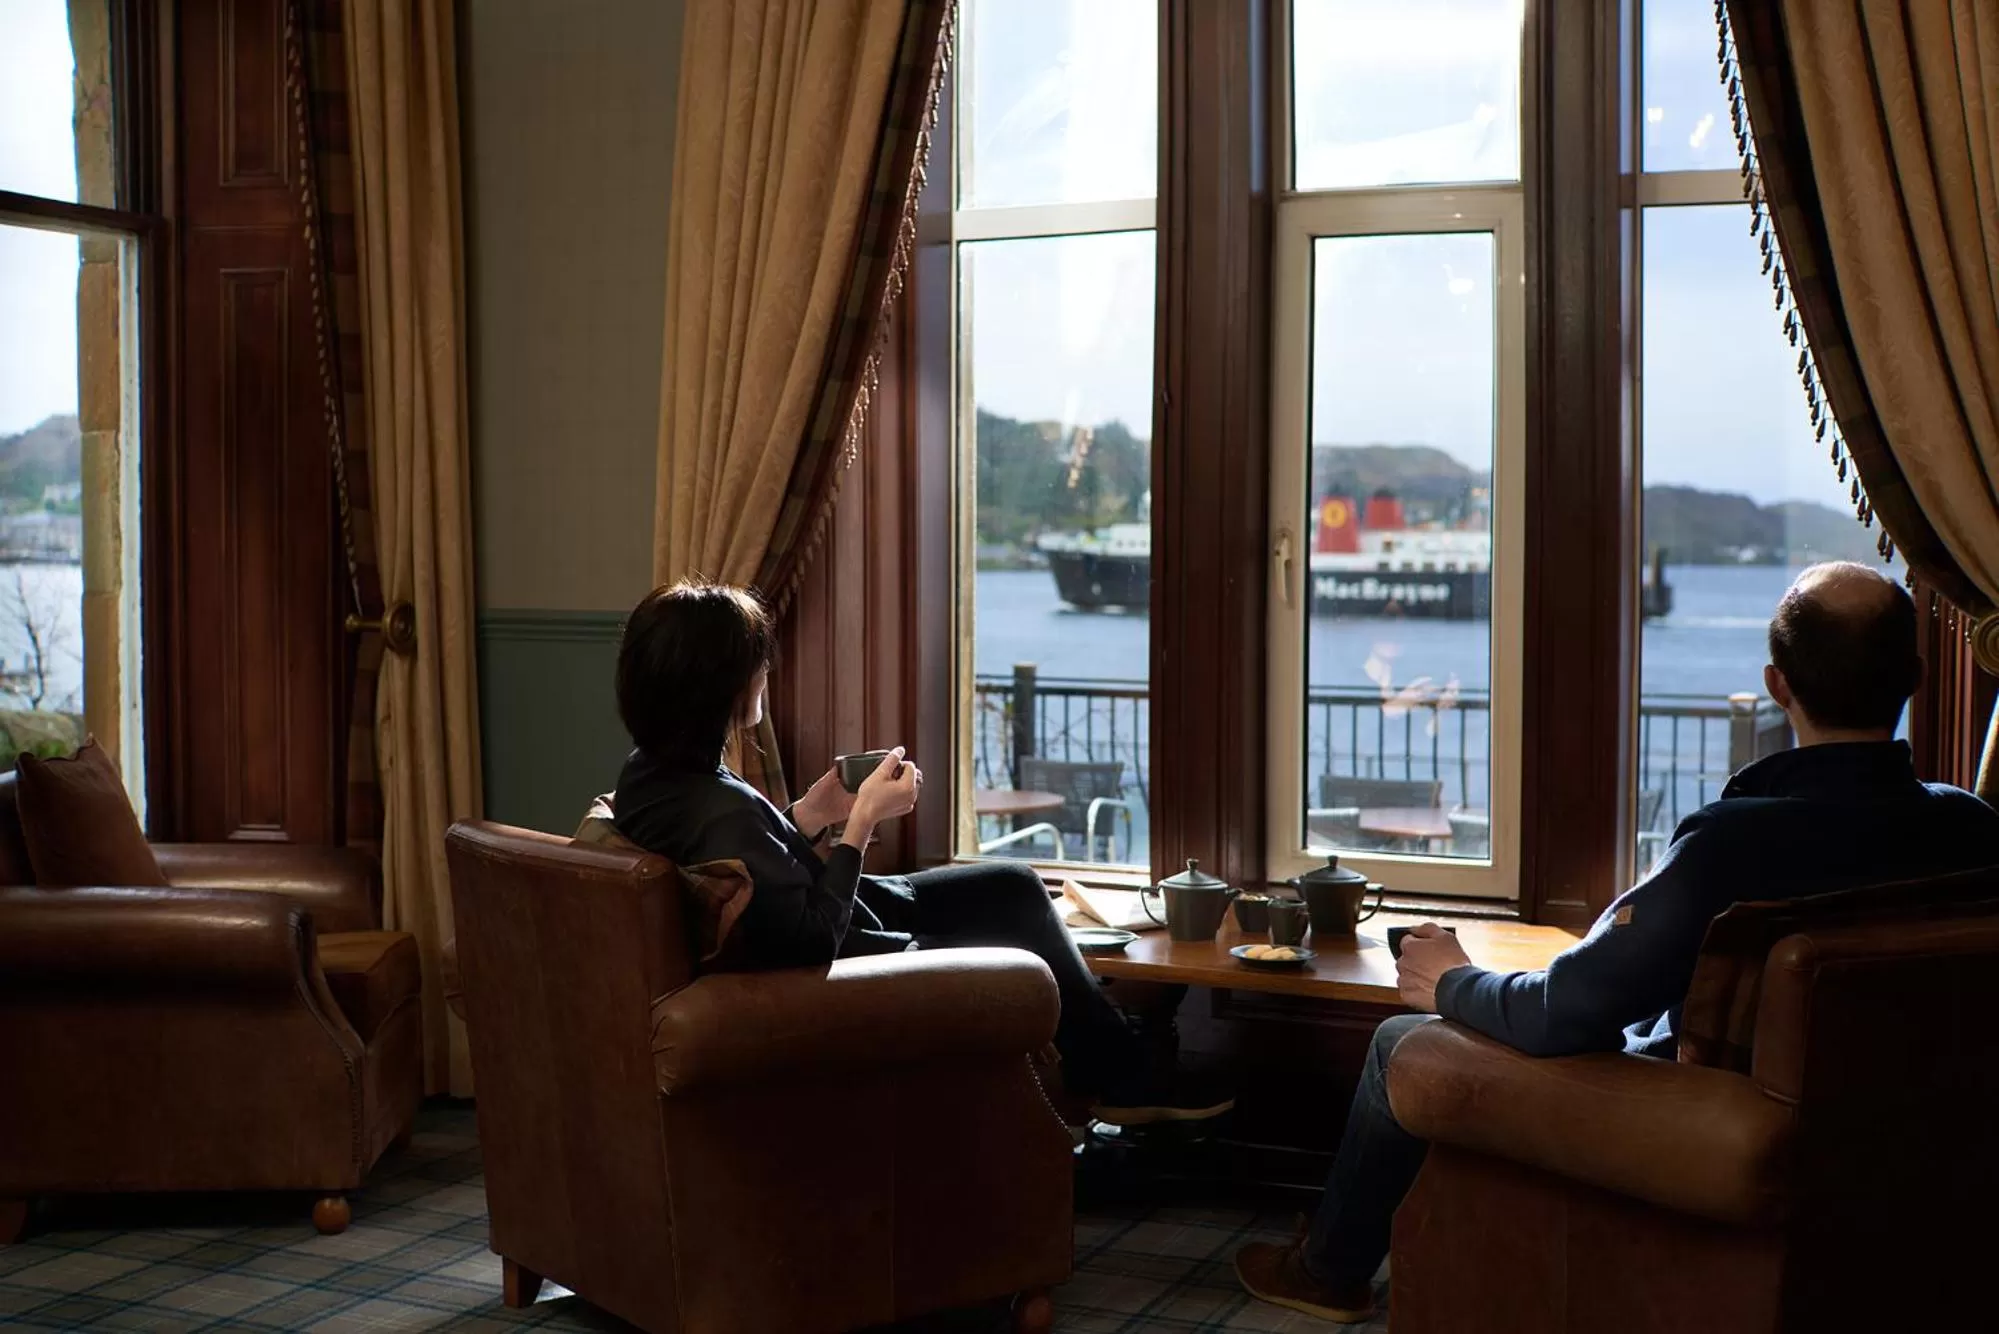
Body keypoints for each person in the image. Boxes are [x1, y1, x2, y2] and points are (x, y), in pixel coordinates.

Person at [1237, 561, 1999, 1324]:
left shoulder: (1730, 844)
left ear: (1776, 684)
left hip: (1721, 1130)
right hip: (1904, 1144)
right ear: (1915, 677)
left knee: (1400, 1042)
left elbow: (1565, 1015)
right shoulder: (1974, 828)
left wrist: (1448, 980)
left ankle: (1325, 1273)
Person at [610, 578, 1231, 1127]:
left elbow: (744, 870)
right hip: (839, 964)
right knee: (1014, 936)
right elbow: (811, 941)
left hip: (816, 917)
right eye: (757, 664)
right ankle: (1122, 1077)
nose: (766, 673)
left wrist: (809, 814)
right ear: (722, 684)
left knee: (1014, 885)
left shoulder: (654, 775)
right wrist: (859, 822)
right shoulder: (718, 808)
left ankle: (1116, 1070)